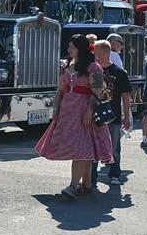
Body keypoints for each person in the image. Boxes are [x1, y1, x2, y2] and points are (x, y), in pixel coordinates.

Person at [35, 34, 113, 199]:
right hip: (68, 112)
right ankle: (87, 184)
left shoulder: (94, 67)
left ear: (80, 48)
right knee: (83, 149)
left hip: (84, 110)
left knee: (81, 149)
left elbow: (97, 90)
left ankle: (72, 186)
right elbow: (61, 90)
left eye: (72, 46)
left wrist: (90, 112)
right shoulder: (68, 66)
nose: (68, 49)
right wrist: (56, 108)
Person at [91, 41, 132, 186]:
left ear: (104, 51)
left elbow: (126, 96)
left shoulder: (119, 72)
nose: (93, 53)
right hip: (95, 115)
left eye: (95, 50)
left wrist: (126, 116)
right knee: (93, 146)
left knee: (114, 147)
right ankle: (91, 176)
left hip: (113, 115)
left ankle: (115, 174)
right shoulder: (94, 70)